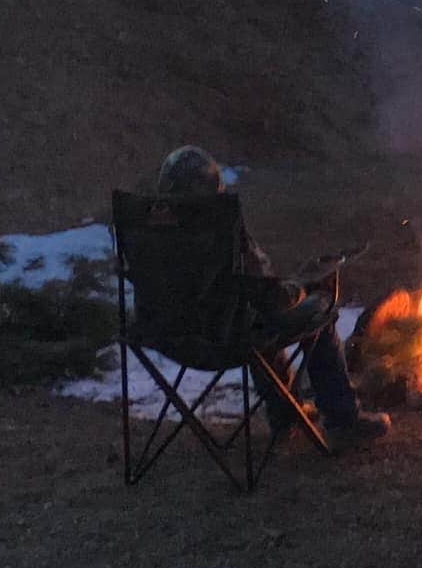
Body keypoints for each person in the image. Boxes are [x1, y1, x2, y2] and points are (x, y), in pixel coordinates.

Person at [155, 145, 390, 449]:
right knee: (315, 310)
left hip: (167, 334)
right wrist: (301, 286)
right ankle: (343, 419)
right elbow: (269, 296)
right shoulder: (220, 227)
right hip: (222, 339)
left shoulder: (149, 228)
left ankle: (284, 411)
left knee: (252, 317)